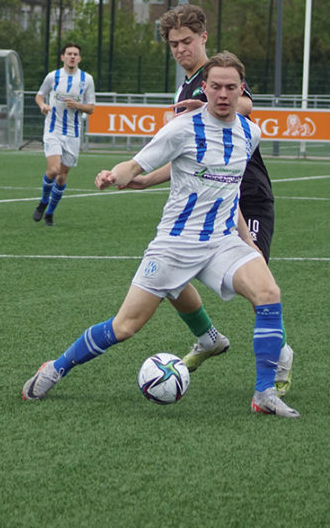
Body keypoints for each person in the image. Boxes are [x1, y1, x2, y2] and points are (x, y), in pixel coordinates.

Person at [22, 52, 300, 418]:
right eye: (215, 86)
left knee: (269, 291)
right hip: (174, 244)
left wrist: (248, 243)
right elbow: (135, 164)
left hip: (221, 242)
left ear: (240, 91)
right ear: (205, 88)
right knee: (124, 327)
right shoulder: (182, 128)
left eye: (230, 87)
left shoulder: (250, 134)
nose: (222, 93)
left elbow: (230, 193)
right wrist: (114, 175)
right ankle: (55, 368)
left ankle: (264, 393)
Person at [135, 3, 292, 394]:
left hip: (246, 197)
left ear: (204, 38)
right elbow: (187, 160)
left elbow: (247, 106)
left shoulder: (217, 79)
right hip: (207, 199)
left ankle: (281, 356)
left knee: (260, 287)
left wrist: (208, 103)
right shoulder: (185, 86)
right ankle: (208, 338)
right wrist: (144, 179)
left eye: (187, 41)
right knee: (167, 274)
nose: (180, 49)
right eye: (173, 44)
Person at [32, 43, 96, 226]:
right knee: (53, 170)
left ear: (80, 58)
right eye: (69, 54)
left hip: (74, 134)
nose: (72, 57)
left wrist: (78, 105)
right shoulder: (53, 76)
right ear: (63, 57)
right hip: (53, 130)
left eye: (76, 54)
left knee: (62, 176)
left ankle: (50, 213)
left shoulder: (87, 79)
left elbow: (91, 108)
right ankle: (43, 201)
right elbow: (39, 95)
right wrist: (42, 105)